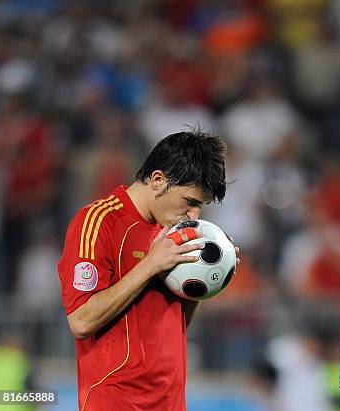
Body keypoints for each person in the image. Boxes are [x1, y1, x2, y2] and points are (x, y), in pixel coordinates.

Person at [57, 130, 234, 410]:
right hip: (116, 402)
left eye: (200, 207)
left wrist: (207, 272)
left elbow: (176, 323)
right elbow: (81, 321)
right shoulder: (98, 222)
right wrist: (151, 264)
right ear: (158, 179)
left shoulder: (175, 232)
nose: (194, 216)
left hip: (170, 402)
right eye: (190, 202)